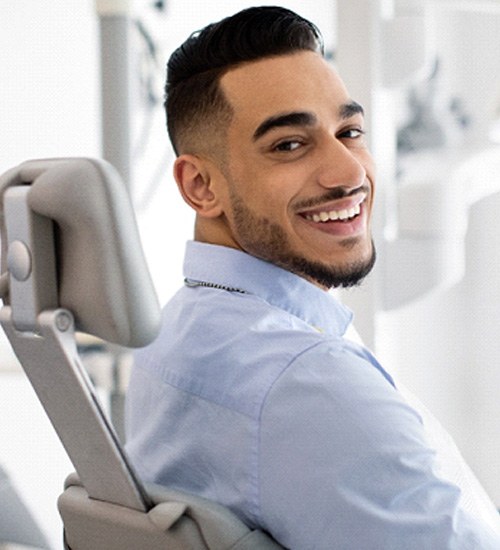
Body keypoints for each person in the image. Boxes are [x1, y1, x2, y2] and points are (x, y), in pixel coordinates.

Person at [125, 6, 500, 548]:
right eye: (288, 145)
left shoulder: (176, 333)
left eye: (349, 131)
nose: (349, 173)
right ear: (202, 185)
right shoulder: (308, 383)